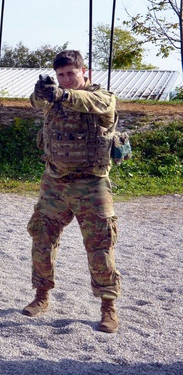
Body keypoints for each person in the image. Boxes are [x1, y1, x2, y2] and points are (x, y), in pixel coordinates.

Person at [23, 49, 122, 333]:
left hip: (92, 184)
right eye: (61, 75)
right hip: (54, 182)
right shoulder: (51, 98)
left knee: (100, 246)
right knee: (42, 238)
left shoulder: (102, 97)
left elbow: (94, 103)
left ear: (84, 72)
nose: (66, 79)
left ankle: (108, 307)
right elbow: (34, 102)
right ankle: (41, 296)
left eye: (71, 73)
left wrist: (61, 95)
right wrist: (41, 91)